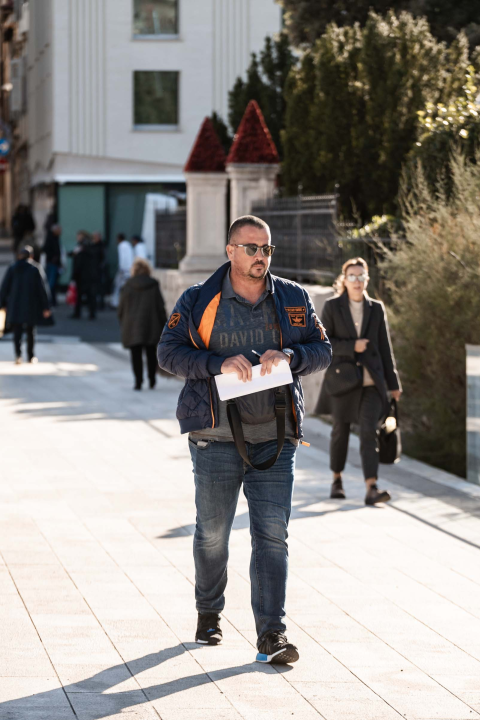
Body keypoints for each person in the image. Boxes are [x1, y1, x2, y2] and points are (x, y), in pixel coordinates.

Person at [157, 215, 331, 665]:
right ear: (230, 250)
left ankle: (272, 634)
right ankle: (209, 612)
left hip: (276, 437)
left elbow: (323, 349)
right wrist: (215, 363)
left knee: (273, 536)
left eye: (267, 249)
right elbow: (168, 352)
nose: (260, 257)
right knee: (213, 534)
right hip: (214, 437)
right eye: (251, 248)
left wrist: (291, 354)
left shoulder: (292, 297)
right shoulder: (199, 300)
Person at [315, 258, 401, 505]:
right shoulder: (332, 307)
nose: (357, 281)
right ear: (345, 279)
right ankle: (336, 480)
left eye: (361, 276)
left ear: (366, 279)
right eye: (352, 276)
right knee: (340, 431)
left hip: (371, 382)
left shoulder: (376, 308)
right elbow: (325, 343)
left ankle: (371, 487)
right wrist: (352, 346)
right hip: (343, 382)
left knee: (368, 432)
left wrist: (393, 384)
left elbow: (385, 348)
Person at [0, 245, 52, 364]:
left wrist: (3, 304)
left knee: (17, 331)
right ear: (31, 256)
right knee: (30, 331)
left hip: (15, 305)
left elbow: (3, 288)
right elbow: (42, 289)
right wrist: (46, 306)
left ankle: (18, 355)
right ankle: (31, 356)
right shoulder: (35, 268)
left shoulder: (13, 268)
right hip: (31, 305)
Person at [118, 258, 167, 390]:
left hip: (132, 325)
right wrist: (164, 323)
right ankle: (152, 379)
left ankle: (138, 381)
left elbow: (121, 307)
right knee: (151, 353)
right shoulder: (154, 284)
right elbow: (160, 306)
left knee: (135, 354)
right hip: (152, 324)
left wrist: (123, 321)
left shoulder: (127, 285)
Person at [71, 231, 99, 320]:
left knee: (84, 295)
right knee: (87, 295)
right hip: (87, 275)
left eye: (78, 236)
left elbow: (79, 263)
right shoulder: (87, 246)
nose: (77, 237)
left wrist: (74, 274)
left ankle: (81, 313)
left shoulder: (84, 247)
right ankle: (89, 313)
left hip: (84, 275)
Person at [42, 224, 64, 303]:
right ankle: (48, 300)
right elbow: (45, 249)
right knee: (51, 282)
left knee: (53, 282)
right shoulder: (51, 238)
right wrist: (53, 258)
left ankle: (52, 299)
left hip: (54, 263)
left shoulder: (55, 238)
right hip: (52, 263)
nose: (60, 232)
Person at [115, 233, 134, 300]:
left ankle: (117, 302)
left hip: (124, 269)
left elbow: (122, 257)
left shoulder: (121, 245)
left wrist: (121, 268)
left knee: (119, 285)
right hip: (129, 268)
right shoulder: (128, 244)